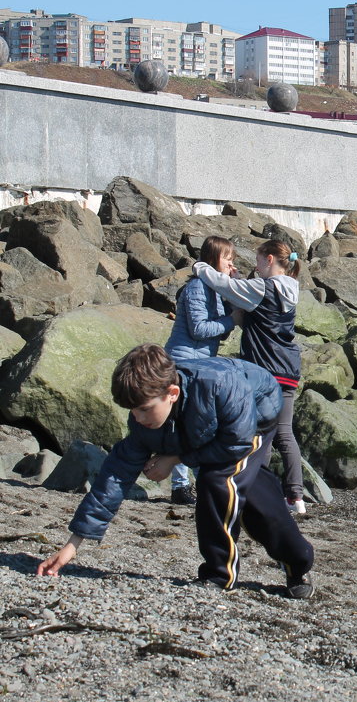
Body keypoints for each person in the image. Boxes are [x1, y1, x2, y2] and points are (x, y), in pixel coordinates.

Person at [36, 344, 315, 598]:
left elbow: (236, 443)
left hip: (255, 416)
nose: (137, 418)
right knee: (251, 494)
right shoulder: (144, 423)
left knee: (216, 482)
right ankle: (299, 559)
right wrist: (72, 546)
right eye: (132, 412)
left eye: (144, 410)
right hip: (209, 427)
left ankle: (220, 576)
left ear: (172, 393)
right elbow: (114, 478)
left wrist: (176, 457)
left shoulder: (220, 386)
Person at [193, 239, 305, 514]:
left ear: (268, 260)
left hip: (265, 372)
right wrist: (240, 278)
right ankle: (296, 497)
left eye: (257, 261)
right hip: (288, 369)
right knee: (284, 434)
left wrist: (200, 268)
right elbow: (247, 291)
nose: (253, 267)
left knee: (260, 433)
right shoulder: (290, 287)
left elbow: (226, 287)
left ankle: (257, 489)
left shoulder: (262, 288)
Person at [160, 235, 238, 506]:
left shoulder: (215, 289)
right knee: (186, 424)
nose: (231, 264)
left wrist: (232, 293)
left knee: (198, 424)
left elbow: (220, 332)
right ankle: (181, 486)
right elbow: (199, 329)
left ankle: (195, 482)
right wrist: (231, 320)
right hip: (184, 362)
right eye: (227, 259)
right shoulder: (196, 287)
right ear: (214, 259)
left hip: (201, 363)